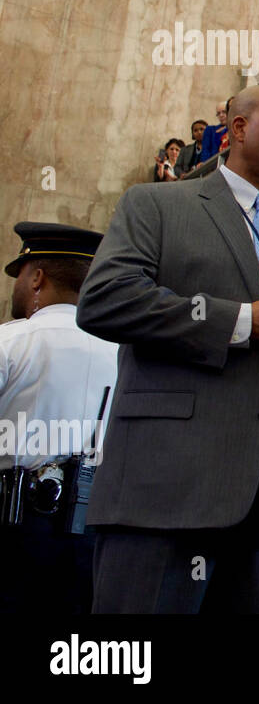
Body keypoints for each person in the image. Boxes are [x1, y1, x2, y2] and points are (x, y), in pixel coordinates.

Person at [77, 83, 259, 613]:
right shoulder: (157, 205)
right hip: (164, 497)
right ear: (236, 129)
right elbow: (105, 300)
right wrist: (240, 321)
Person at [0, 222, 119, 615]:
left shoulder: (11, 342)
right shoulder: (128, 353)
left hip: (12, 531)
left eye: (19, 275)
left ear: (37, 278)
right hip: (96, 539)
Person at [197, 99, 230, 163]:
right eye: (218, 113)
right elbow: (205, 152)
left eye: (224, 112)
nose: (221, 115)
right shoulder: (210, 130)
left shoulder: (234, 129)